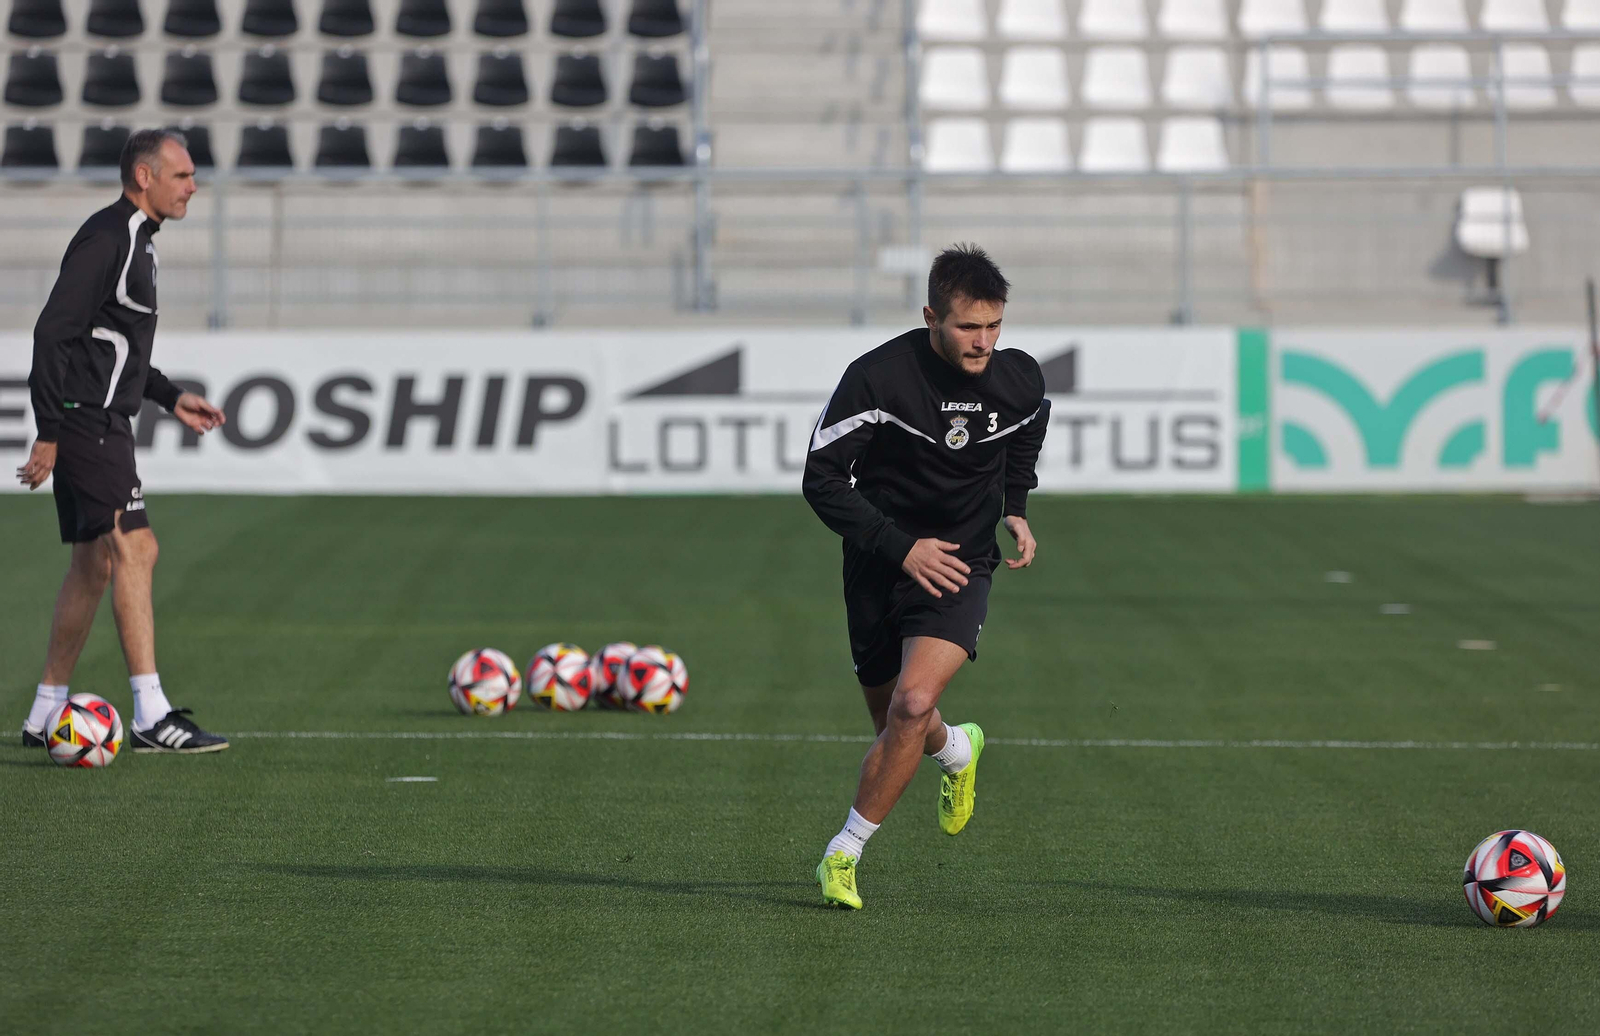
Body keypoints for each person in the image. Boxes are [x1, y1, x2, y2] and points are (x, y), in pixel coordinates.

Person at [801, 244, 1050, 909]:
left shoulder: (1017, 378)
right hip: (879, 563)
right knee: (897, 723)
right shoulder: (878, 379)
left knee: (911, 705)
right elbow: (818, 479)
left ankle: (843, 854)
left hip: (962, 563)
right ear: (931, 316)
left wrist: (1016, 507)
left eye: (995, 326)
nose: (984, 342)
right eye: (969, 326)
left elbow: (1028, 425)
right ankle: (959, 752)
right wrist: (899, 546)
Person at [17, 127, 230, 754]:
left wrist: (169, 396)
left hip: (101, 420)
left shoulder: (138, 241)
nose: (193, 186)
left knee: (95, 563)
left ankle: (44, 713)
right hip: (86, 421)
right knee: (138, 548)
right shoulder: (108, 238)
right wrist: (50, 431)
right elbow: (53, 333)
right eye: (183, 175)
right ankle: (150, 713)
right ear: (144, 176)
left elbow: (113, 340)